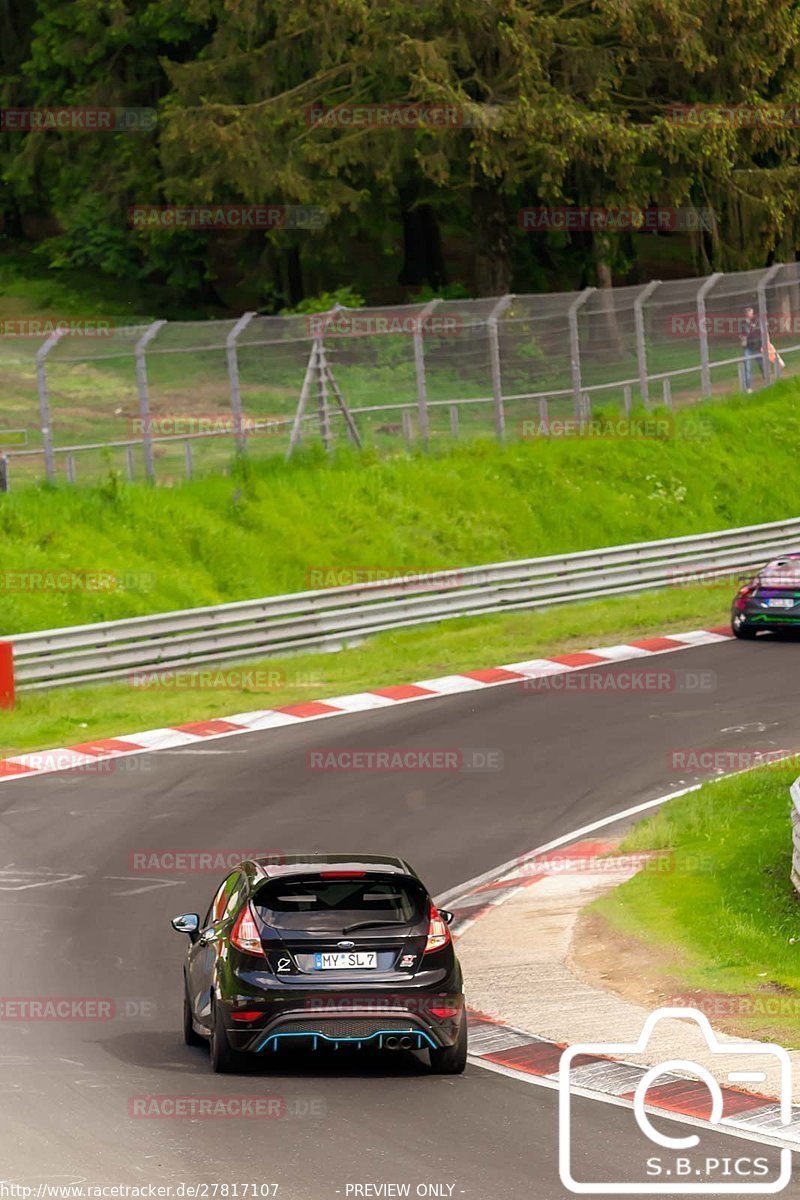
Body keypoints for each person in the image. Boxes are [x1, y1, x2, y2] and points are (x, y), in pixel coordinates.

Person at [740, 305, 766, 392]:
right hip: (748, 348)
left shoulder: (757, 321)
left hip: (758, 347)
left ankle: (766, 380)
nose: (751, 315)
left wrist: (762, 346)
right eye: (749, 314)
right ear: (746, 314)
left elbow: (761, 333)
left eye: (751, 313)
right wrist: (743, 339)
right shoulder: (743, 324)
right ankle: (748, 387)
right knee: (748, 367)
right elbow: (742, 334)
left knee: (762, 365)